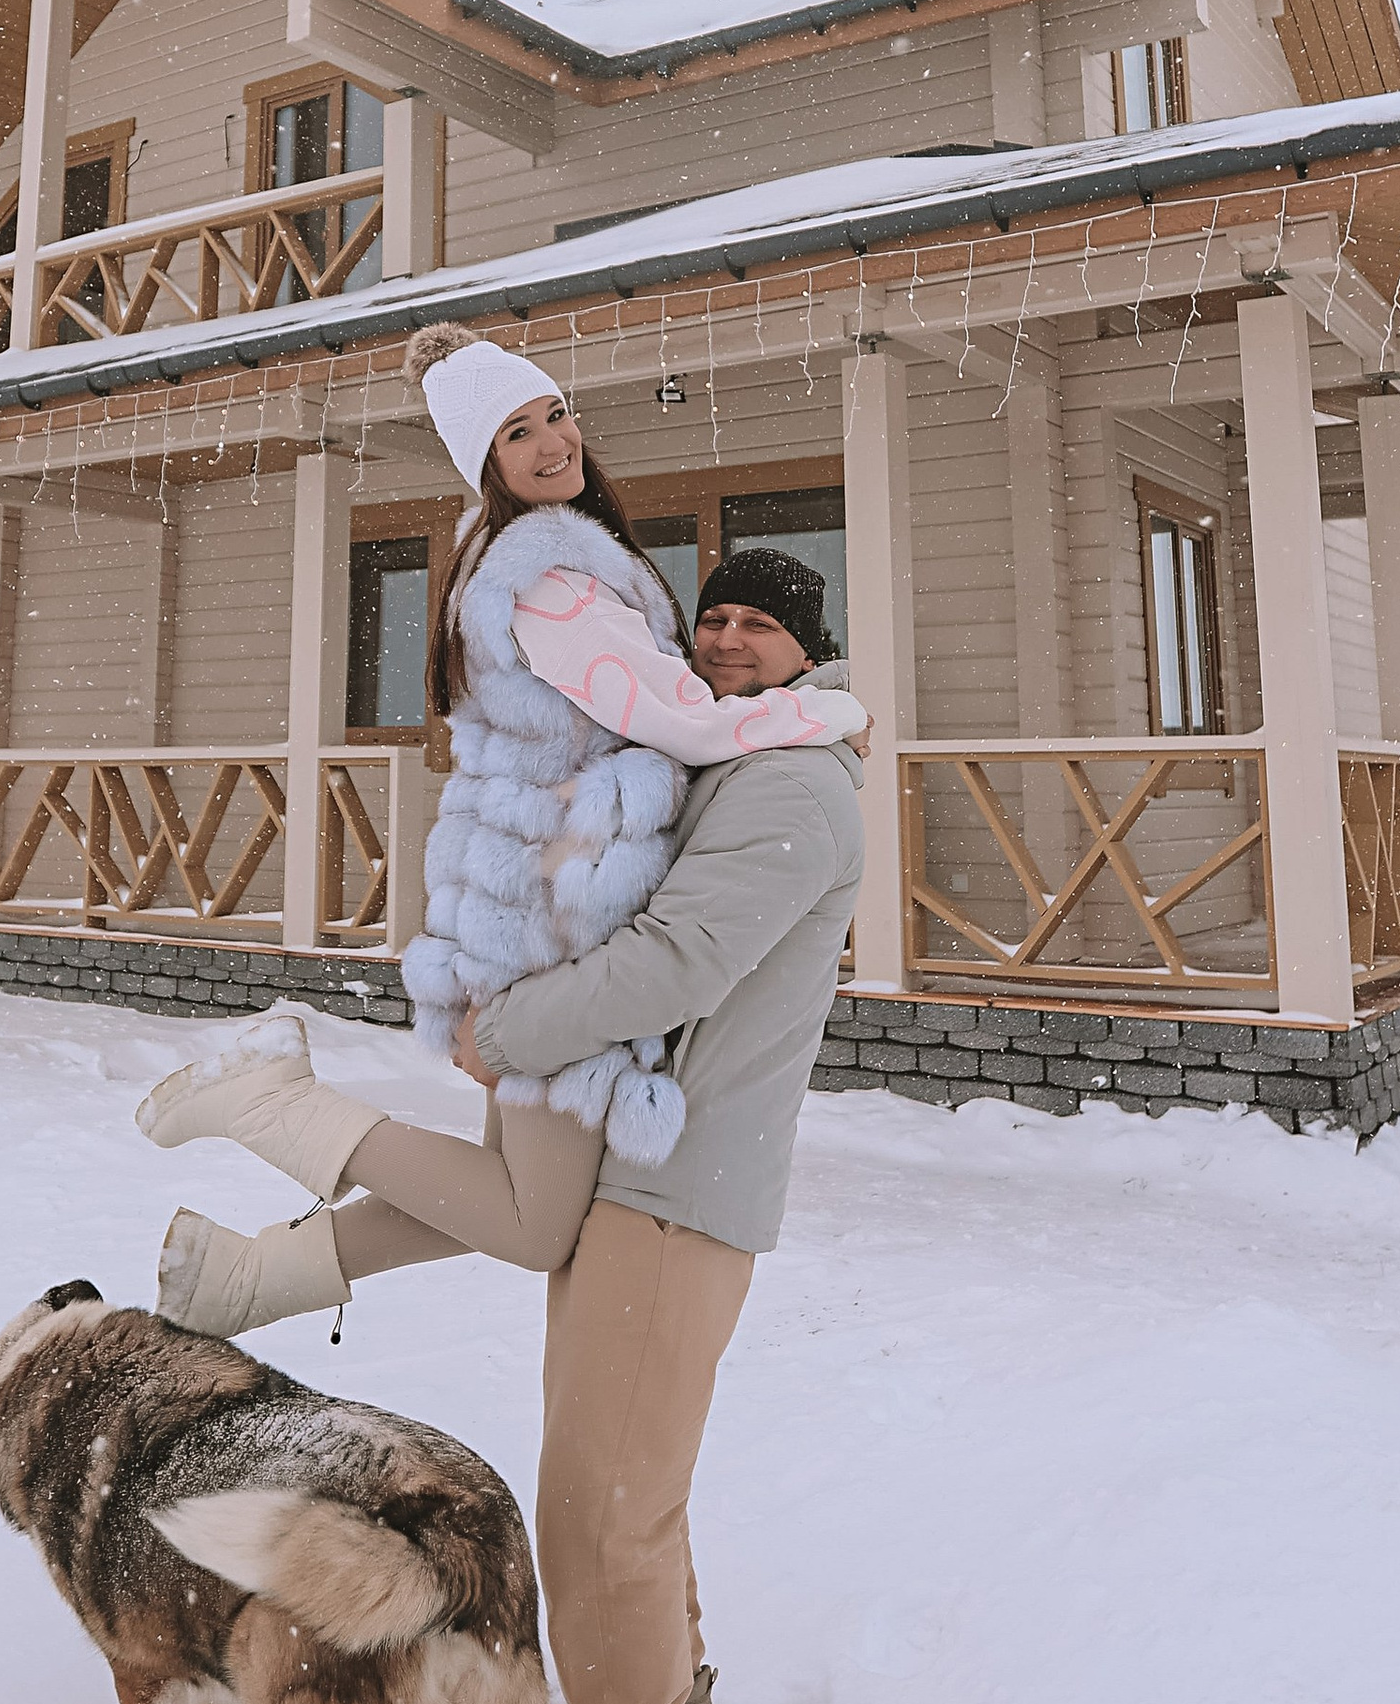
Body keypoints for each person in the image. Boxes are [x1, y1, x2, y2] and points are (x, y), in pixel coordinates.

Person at [144, 494, 866, 1704]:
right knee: (628, 1482)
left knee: (602, 1513)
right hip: (639, 1152)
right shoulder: (730, 756)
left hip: (677, 1182)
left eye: (758, 625)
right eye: (710, 616)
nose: (724, 640)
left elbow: (679, 962)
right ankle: (672, 1689)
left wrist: (515, 1032)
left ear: (808, 650)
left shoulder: (787, 788)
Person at [136, 332, 864, 1336]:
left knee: (507, 1187)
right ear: (486, 463)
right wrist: (817, 713)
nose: (552, 441)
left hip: (541, 892)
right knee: (535, 1222)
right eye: (516, 433)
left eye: (554, 413)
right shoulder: (550, 581)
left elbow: (659, 703)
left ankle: (253, 1278)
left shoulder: (548, 557)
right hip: (555, 908)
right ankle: (275, 1104)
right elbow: (676, 717)